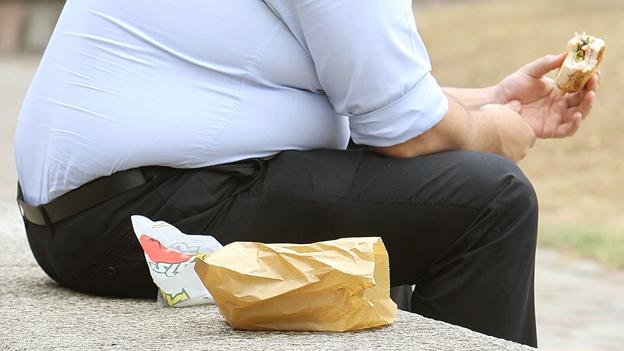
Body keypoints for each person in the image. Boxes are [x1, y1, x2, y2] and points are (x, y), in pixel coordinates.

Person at [14, 1, 598, 347]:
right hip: (142, 222)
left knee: (399, 196)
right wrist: (495, 134)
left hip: (86, 216)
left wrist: (489, 101)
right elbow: (406, 130)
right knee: (490, 200)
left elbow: (373, 103)